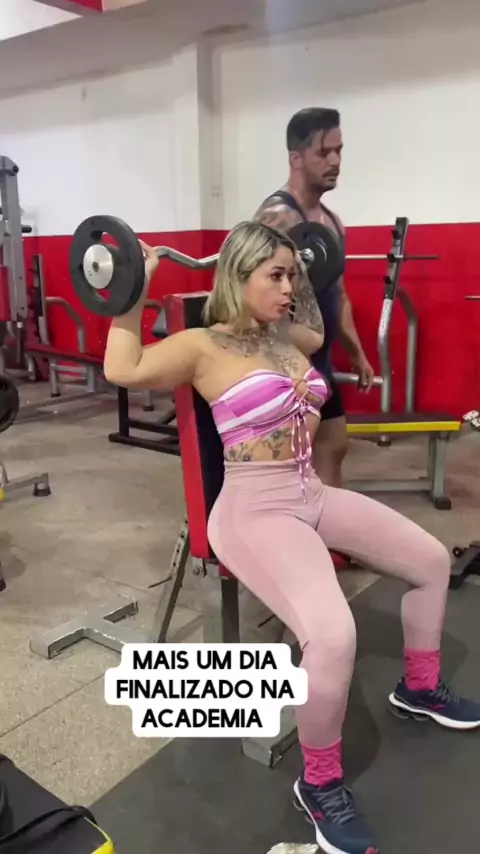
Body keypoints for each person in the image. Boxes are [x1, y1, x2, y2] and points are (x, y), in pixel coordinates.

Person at [104, 221, 480, 854]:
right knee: (333, 636)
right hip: (253, 513)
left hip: (310, 494)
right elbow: (124, 366)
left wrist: (307, 264)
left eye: (292, 274)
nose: (288, 287)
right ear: (238, 276)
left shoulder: (286, 337)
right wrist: (133, 288)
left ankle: (419, 687)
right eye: (275, 276)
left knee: (430, 559)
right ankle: (320, 784)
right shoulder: (203, 346)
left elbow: (316, 323)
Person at [254, 107, 374, 490]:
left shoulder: (332, 223)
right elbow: (251, 298)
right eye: (323, 152)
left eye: (339, 150)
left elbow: (338, 293)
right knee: (286, 462)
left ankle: (327, 522)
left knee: (334, 445)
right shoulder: (276, 218)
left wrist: (356, 353)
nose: (335, 161)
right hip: (282, 364)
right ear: (296, 157)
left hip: (319, 361)